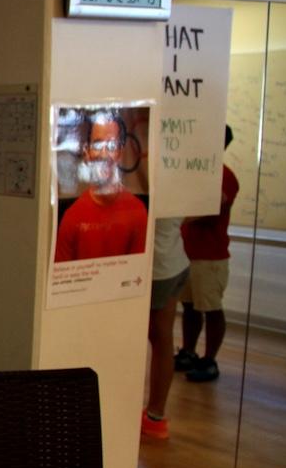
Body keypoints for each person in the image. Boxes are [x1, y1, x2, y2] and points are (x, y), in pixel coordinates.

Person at [175, 125, 239, 383]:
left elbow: (212, 209)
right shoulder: (195, 173)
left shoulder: (226, 177)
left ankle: (210, 359)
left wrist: (180, 215)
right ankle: (188, 352)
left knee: (211, 308)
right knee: (189, 307)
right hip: (187, 253)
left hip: (210, 257)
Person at [55, 110, 148, 262]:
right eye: (98, 145)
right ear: (87, 153)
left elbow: (138, 270)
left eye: (112, 145)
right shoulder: (72, 217)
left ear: (120, 154)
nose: (104, 154)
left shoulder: (137, 212)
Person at [143, 217, 189, 439]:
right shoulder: (176, 194)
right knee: (163, 340)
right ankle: (155, 416)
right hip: (175, 262)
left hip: (158, 268)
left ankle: (153, 416)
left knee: (156, 339)